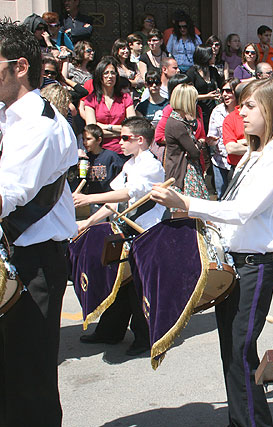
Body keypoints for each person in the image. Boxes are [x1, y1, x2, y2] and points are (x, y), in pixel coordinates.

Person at [150, 77, 273, 427]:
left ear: (272, 108)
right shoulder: (257, 153)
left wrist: (187, 203)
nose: (240, 112)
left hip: (255, 267)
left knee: (240, 354)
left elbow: (242, 210)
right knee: (232, 355)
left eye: (250, 106)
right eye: (240, 105)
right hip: (236, 265)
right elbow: (232, 207)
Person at [0, 22, 77, 426]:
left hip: (32, 265)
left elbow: (7, 192)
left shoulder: (40, 126)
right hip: (14, 259)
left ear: (20, 67)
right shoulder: (10, 118)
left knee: (28, 383)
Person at [74, 117, 164, 357]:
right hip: (128, 229)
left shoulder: (150, 165)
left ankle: (145, 337)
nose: (120, 142)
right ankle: (110, 331)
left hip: (146, 231)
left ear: (140, 140)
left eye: (125, 138)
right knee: (120, 281)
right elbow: (115, 199)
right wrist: (88, 221)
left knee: (137, 285)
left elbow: (129, 192)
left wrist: (89, 199)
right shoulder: (130, 164)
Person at [163, 83, 210, 209]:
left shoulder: (177, 121)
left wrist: (195, 145)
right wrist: (199, 143)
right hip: (182, 174)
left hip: (182, 170)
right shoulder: (177, 124)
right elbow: (194, 152)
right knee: (188, 211)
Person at [84, 56, 136, 156]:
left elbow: (132, 128)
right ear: (100, 76)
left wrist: (107, 127)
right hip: (100, 152)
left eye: (113, 73)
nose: (110, 76)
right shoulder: (91, 100)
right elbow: (93, 132)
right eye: (106, 73)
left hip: (122, 151)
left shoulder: (125, 98)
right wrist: (121, 130)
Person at [207, 77, 241, 196]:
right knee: (222, 196)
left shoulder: (243, 111)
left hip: (239, 162)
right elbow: (212, 136)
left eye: (229, 91)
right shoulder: (217, 111)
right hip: (220, 161)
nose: (225, 94)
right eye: (223, 91)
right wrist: (211, 141)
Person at [80, 124, 124, 198]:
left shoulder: (111, 156)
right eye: (83, 139)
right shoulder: (85, 158)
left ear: (99, 140)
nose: (84, 142)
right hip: (92, 198)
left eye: (88, 139)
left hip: (109, 197)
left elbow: (120, 175)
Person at [186, 45, 223, 131]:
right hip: (198, 111)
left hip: (212, 110)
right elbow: (188, 95)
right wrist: (207, 96)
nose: (215, 56)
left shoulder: (213, 71)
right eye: (212, 54)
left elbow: (220, 85)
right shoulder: (192, 72)